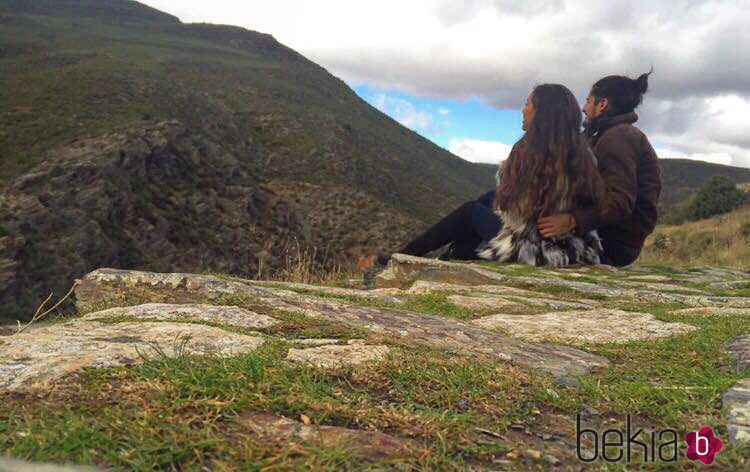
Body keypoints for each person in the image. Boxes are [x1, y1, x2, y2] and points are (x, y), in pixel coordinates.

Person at [364, 83, 607, 286]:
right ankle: (448, 260)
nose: (523, 111)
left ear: (540, 113)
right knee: (484, 200)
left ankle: (402, 259)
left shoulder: (528, 153)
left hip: (535, 249)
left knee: (469, 212)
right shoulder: (581, 153)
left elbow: (513, 211)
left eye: (527, 104)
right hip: (571, 246)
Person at [535, 71, 662, 267]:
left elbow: (619, 201)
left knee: (474, 214)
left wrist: (571, 220)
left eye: (588, 101)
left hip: (611, 244)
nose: (584, 108)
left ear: (602, 105)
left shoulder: (620, 138)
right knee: (489, 203)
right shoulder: (601, 135)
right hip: (600, 234)